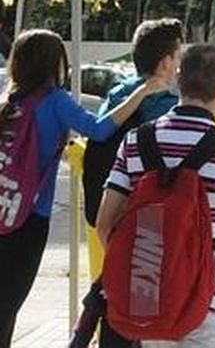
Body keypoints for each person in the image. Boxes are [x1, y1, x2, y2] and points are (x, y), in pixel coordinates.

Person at [96, 44, 215, 348]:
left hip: (150, 300)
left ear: (179, 81)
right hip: (211, 300)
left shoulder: (136, 141)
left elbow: (104, 224)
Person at [0, 29, 169, 348]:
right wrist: (143, 92)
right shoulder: (55, 101)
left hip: (4, 208)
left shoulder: (10, 100)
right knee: (9, 300)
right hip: (29, 216)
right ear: (55, 64)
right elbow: (100, 129)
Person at [90, 18, 183, 348]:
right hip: (150, 219)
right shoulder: (168, 105)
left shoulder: (118, 93)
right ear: (166, 62)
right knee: (147, 311)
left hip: (112, 208)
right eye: (178, 54)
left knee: (118, 300)